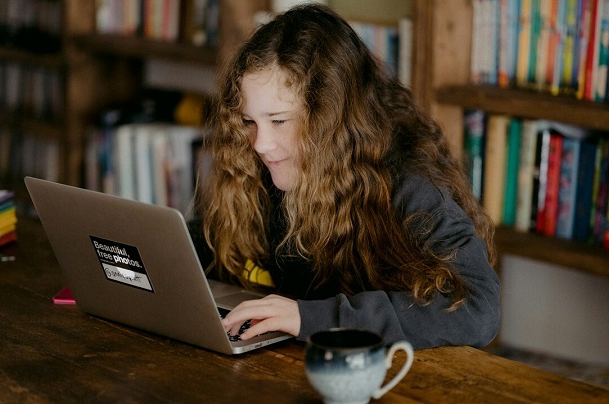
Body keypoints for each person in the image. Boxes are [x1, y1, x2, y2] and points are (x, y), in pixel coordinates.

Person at [190, 3, 500, 349]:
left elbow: (477, 308)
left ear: (331, 119)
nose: (261, 144)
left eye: (279, 121)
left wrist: (311, 318)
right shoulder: (262, 167)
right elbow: (205, 245)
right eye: (250, 121)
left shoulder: (409, 182)